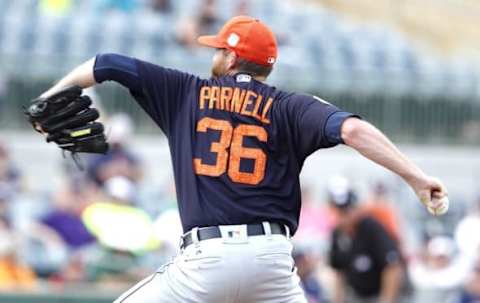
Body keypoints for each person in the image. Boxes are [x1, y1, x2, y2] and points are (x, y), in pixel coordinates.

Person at [38, 15, 448, 303]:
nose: (214, 55)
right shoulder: (290, 106)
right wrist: (415, 177)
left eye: (219, 50)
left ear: (232, 59)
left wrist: (49, 98)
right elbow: (354, 131)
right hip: (271, 261)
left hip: (205, 262)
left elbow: (104, 63)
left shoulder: (186, 92)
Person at [327, 177, 407, 303]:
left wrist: (386, 301)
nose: (342, 216)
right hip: (356, 294)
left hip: (380, 294)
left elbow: (393, 267)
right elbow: (339, 271)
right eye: (339, 211)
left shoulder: (371, 227)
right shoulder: (337, 233)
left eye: (346, 210)